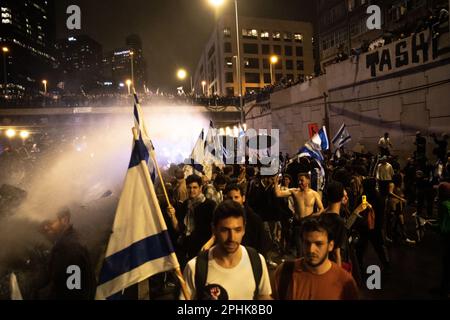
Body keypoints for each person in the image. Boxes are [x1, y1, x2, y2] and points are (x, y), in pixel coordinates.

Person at [181, 200, 272, 300]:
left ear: (244, 229)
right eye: (225, 230)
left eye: (237, 230)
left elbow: (264, 296)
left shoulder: (257, 260)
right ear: (214, 229)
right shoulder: (195, 268)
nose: (232, 238)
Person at [272, 217, 359, 300]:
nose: (311, 250)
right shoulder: (284, 272)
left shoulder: (345, 282)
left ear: (330, 246)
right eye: (307, 243)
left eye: (319, 244)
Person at [38, 208, 96, 300]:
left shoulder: (69, 247)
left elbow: (73, 289)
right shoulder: (69, 241)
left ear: (64, 220)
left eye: (51, 222)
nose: (46, 227)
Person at [167, 174, 217, 266]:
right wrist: (173, 216)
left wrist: (209, 243)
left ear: (200, 188)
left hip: (204, 250)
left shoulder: (210, 205)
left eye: (195, 187)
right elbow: (179, 228)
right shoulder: (185, 205)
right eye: (189, 187)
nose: (192, 190)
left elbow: (216, 229)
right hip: (187, 250)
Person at [275, 173, 324, 257]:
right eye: (299, 180)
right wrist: (276, 182)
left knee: (308, 246)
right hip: (297, 223)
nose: (299, 182)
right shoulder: (294, 191)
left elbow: (321, 209)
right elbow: (278, 194)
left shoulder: (314, 194)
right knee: (299, 248)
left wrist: (313, 216)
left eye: (302, 180)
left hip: (308, 223)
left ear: (308, 181)